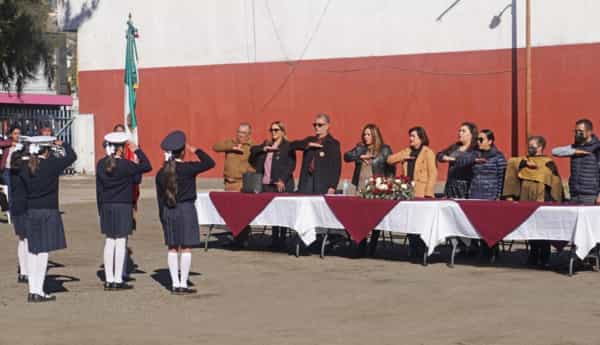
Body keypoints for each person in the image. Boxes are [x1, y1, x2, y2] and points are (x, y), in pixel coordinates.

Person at [156, 131, 215, 294]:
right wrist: (195, 150)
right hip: (186, 209)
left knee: (173, 248)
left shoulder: (162, 173)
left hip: (169, 210)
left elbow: (159, 198)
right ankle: (183, 283)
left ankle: (174, 284)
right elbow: (210, 163)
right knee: (186, 248)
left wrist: (162, 216)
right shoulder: (188, 168)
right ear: (182, 151)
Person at [20, 136, 77, 302]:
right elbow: (72, 156)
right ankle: (39, 289)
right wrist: (63, 144)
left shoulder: (25, 166)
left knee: (32, 251)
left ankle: (33, 289)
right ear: (47, 150)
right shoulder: (52, 164)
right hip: (48, 210)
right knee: (43, 251)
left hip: (31, 210)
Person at [96, 132, 152, 291]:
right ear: (120, 149)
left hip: (106, 205)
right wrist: (137, 150)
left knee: (109, 241)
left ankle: (108, 279)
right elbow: (147, 166)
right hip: (123, 205)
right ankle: (117, 279)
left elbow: (98, 189)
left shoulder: (101, 164)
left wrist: (100, 208)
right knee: (120, 242)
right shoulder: (126, 165)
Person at [503, 136, 563, 267]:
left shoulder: (548, 162)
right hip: (526, 198)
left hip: (542, 198)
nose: (529, 148)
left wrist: (555, 200)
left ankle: (545, 257)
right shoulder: (524, 161)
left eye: (532, 146)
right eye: (529, 145)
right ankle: (533, 255)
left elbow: (556, 182)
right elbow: (512, 163)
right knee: (530, 227)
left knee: (543, 229)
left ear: (540, 147)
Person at [344, 124, 394, 256]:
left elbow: (391, 168)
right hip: (360, 186)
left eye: (368, 134)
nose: (366, 137)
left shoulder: (384, 149)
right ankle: (361, 244)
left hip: (376, 186)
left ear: (375, 135)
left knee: (374, 217)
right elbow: (346, 156)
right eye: (364, 134)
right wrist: (359, 157)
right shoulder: (361, 149)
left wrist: (389, 183)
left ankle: (372, 246)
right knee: (359, 217)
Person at [387, 126, 438, 259]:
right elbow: (390, 159)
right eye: (410, 136)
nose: (410, 139)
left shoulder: (428, 152)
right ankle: (413, 248)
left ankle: (421, 250)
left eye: (413, 136)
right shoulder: (407, 150)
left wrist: (429, 192)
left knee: (421, 223)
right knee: (410, 221)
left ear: (421, 138)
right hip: (408, 192)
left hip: (422, 192)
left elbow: (433, 173)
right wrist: (404, 156)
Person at [457, 129, 507, 260]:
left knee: (490, 226)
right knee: (477, 225)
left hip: (491, 195)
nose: (478, 142)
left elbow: (502, 177)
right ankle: (482, 251)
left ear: (490, 141)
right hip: (475, 193)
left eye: (481, 139)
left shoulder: (498, 157)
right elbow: (459, 162)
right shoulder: (474, 154)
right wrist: (473, 159)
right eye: (477, 139)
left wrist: (499, 196)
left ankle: (492, 252)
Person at [249, 121, 296, 250]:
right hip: (267, 183)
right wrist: (263, 149)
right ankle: (275, 240)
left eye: (276, 130)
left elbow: (291, 165)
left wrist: (282, 180)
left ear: (282, 131)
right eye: (272, 130)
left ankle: (282, 240)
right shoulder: (267, 144)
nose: (273, 132)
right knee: (273, 212)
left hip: (281, 183)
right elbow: (252, 151)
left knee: (283, 212)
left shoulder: (288, 146)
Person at [213, 123, 255, 247]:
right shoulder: (231, 143)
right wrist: (232, 147)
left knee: (241, 212)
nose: (240, 135)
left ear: (248, 135)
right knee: (230, 212)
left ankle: (243, 239)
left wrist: (246, 171)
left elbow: (255, 165)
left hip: (240, 183)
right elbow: (216, 147)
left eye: (243, 133)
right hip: (228, 183)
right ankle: (236, 237)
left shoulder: (251, 147)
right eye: (239, 132)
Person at [551, 119, 600, 205]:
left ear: (589, 132)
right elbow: (555, 151)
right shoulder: (574, 147)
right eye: (576, 131)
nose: (577, 134)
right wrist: (575, 151)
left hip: (591, 196)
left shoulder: (597, 148)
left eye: (580, 131)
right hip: (574, 194)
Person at [291, 113, 341, 195]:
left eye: (320, 125)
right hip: (307, 180)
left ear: (327, 126)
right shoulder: (310, 140)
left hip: (322, 182)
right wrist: (308, 145)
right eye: (315, 125)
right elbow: (292, 145)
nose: (316, 127)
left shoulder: (333, 144)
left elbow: (336, 167)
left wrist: (332, 186)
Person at [437, 122, 478, 198]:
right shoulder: (455, 146)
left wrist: (453, 160)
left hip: (464, 186)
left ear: (471, 134)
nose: (460, 133)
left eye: (463, 131)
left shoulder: (475, 149)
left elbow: (467, 161)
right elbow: (439, 155)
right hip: (450, 185)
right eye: (459, 131)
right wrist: (450, 158)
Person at [9, 141, 28, 283]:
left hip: (16, 206)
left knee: (22, 240)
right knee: (28, 240)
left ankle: (23, 270)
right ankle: (26, 270)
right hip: (26, 206)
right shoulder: (25, 170)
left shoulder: (13, 170)